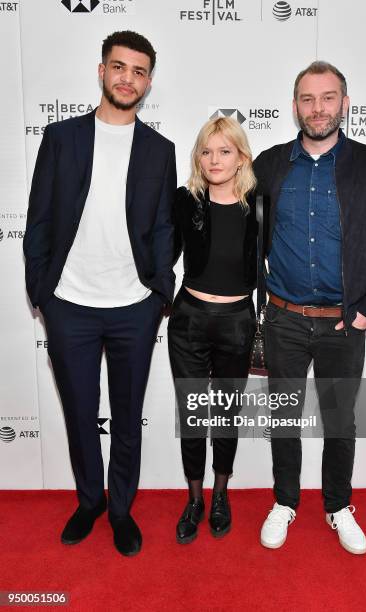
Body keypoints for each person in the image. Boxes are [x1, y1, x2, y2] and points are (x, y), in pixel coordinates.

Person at [23, 31, 176, 556]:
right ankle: (90, 501)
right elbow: (39, 220)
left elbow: (162, 229)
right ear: (102, 71)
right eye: (118, 67)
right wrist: (41, 292)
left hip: (135, 306)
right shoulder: (61, 138)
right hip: (69, 305)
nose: (126, 78)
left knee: (128, 417)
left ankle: (120, 509)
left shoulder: (160, 150)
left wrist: (159, 292)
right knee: (80, 413)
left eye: (138, 70)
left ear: (148, 81)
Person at [253, 61, 366, 554]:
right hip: (284, 319)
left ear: (344, 102)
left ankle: (338, 506)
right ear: (295, 105)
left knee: (341, 421)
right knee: (283, 418)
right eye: (307, 98)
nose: (317, 108)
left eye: (327, 97)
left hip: (344, 324)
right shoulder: (270, 165)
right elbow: (243, 235)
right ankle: (285, 501)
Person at [169, 117, 257, 544]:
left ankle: (221, 495)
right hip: (188, 321)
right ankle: (194, 498)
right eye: (206, 151)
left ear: (241, 156)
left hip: (238, 322)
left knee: (225, 414)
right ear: (197, 157)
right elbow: (161, 252)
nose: (214, 159)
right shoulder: (185, 200)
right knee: (192, 414)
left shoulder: (259, 203)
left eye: (224, 151)